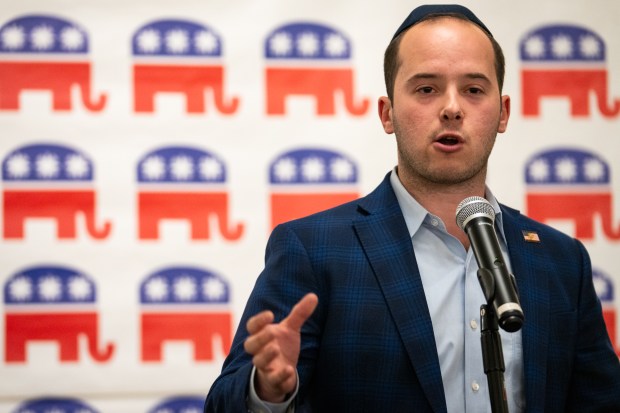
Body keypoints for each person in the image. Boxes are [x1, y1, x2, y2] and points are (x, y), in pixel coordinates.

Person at [204, 4, 620, 412]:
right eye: (426, 89)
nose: (452, 108)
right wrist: (268, 391)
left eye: (474, 90)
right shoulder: (314, 250)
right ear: (387, 114)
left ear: (503, 113)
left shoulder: (561, 260)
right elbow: (224, 403)